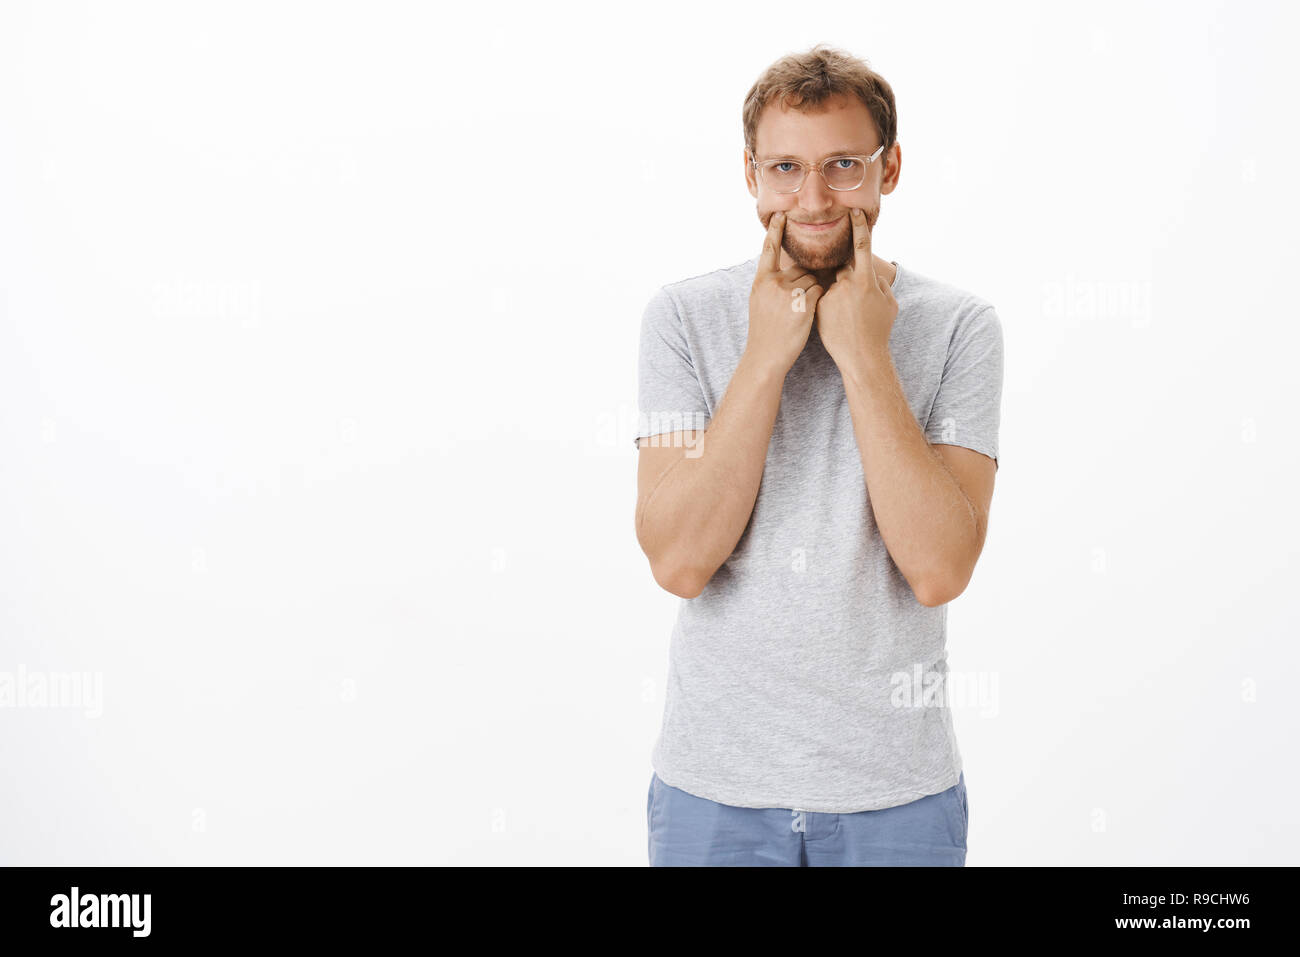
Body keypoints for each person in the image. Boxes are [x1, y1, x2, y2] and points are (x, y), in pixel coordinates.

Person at [633, 45, 1002, 866]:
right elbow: (680, 562)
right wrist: (766, 355)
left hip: (897, 794)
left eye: (842, 165)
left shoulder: (960, 327)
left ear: (889, 167)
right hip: (713, 790)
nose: (812, 197)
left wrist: (865, 355)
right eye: (785, 168)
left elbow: (939, 567)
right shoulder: (682, 318)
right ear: (751, 174)